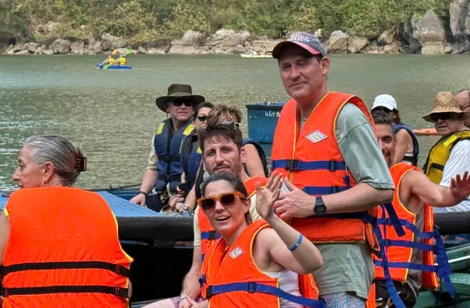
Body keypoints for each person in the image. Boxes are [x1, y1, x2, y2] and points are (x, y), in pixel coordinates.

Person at [268, 32, 395, 308]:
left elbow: (382, 187)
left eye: (302, 63)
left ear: (324, 66)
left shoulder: (347, 116)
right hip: (292, 257)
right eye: (286, 67)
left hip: (338, 260)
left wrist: (314, 205)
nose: (293, 73)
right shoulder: (287, 117)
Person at [0, 135, 132, 307]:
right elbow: (125, 287)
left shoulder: (16, 207)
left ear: (47, 171)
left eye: (21, 166)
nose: (15, 176)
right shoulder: (102, 207)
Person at [148, 123, 269, 308]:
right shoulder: (202, 208)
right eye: (211, 153)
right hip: (209, 296)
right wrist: (185, 299)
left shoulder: (261, 200)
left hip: (246, 298)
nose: (219, 159)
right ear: (204, 162)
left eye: (226, 150)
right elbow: (196, 269)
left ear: (243, 155)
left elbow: (258, 273)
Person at [370, 112, 470, 307]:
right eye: (374, 140)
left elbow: (439, 195)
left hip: (396, 283)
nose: (382, 147)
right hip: (362, 279)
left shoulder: (407, 177)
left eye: (387, 140)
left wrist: (456, 195)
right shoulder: (354, 179)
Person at [202, 172, 325, 308]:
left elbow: (314, 263)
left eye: (228, 199)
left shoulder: (264, 238)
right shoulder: (217, 254)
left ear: (246, 204)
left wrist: (271, 218)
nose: (218, 208)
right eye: (209, 203)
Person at [130, 84, 204, 211]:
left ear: (193, 109)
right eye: (177, 102)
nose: (183, 107)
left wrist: (186, 197)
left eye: (188, 103)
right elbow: (152, 168)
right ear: (167, 108)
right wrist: (142, 193)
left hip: (185, 198)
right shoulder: (159, 134)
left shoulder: (199, 135)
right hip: (162, 195)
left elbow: (202, 175)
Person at [422, 91, 470, 211]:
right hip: (446, 205)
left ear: (460, 118)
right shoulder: (449, 141)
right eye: (436, 118)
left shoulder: (466, 146)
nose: (440, 121)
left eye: (446, 116)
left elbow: (447, 192)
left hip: (462, 210)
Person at [205, 104, 269, 178]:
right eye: (227, 126)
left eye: (236, 126)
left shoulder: (248, 148)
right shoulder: (208, 152)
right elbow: (195, 188)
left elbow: (259, 183)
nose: (234, 130)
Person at [371, 94, 419, 166]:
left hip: (401, 175)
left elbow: (393, 163)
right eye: (377, 111)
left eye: (386, 110)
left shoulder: (402, 132)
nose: (382, 113)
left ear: (395, 114)